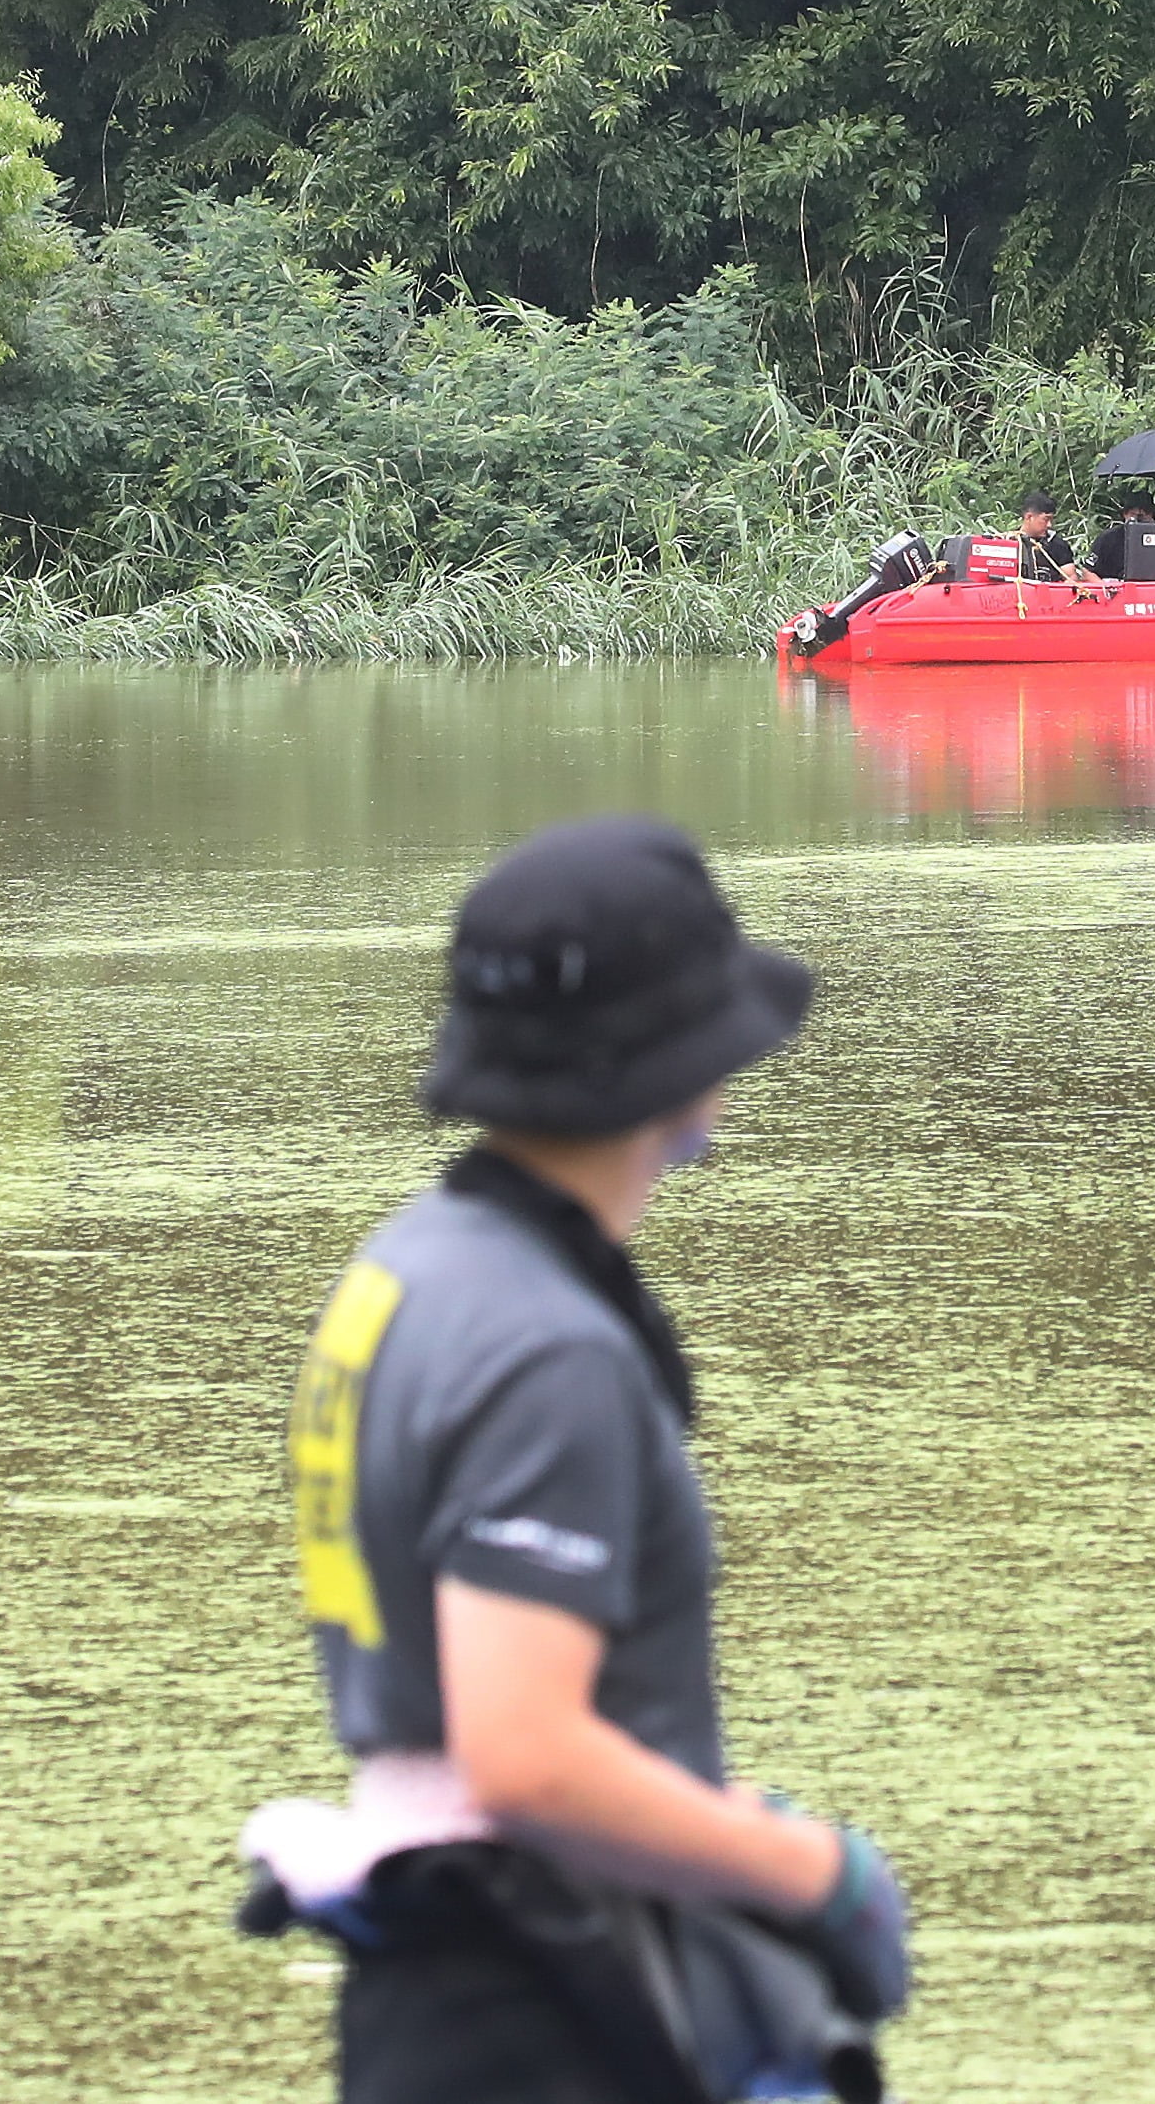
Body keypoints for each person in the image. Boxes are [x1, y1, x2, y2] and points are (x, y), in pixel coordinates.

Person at [249, 815, 911, 2104]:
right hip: (548, 2001)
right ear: (677, 1066)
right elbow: (526, 1755)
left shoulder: (400, 1269)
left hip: (427, 1991)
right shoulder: (550, 1348)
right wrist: (805, 1871)